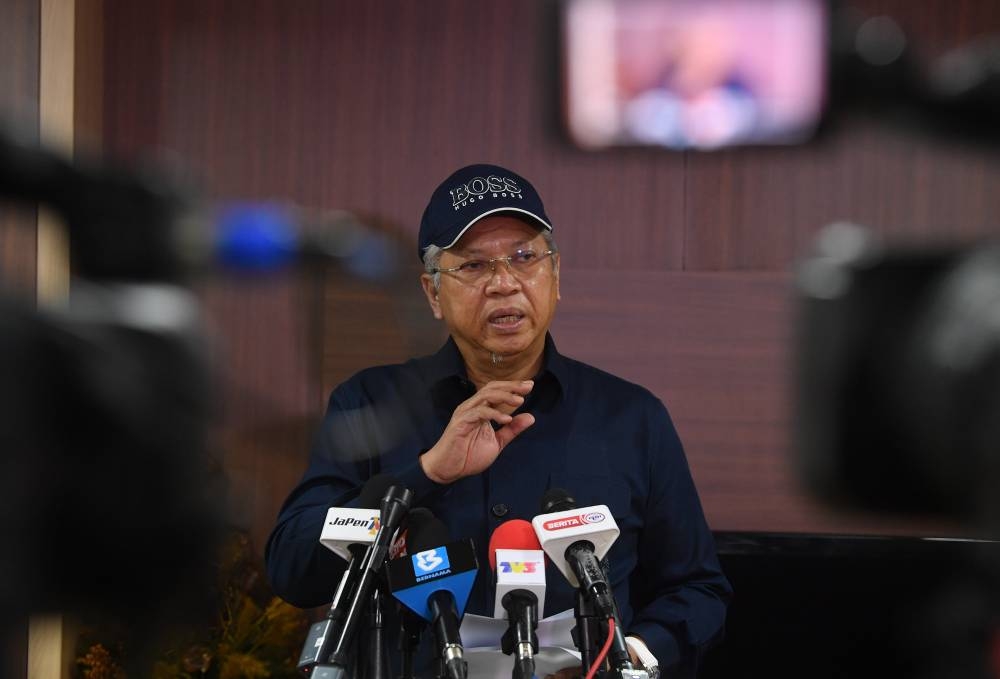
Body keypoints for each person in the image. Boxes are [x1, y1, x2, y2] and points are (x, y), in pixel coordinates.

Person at [265, 163, 732, 678]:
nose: (504, 284)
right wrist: (425, 474)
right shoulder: (368, 403)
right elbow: (294, 568)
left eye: (525, 257)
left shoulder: (632, 417)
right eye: (473, 266)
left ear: (555, 277)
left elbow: (696, 589)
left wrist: (630, 658)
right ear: (431, 293)